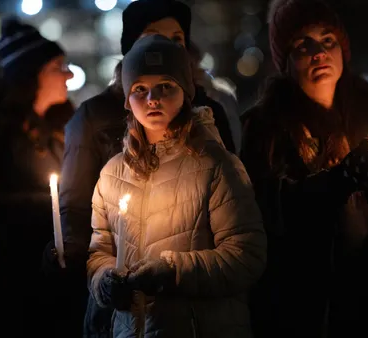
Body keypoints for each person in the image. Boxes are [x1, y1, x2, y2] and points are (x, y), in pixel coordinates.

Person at [240, 0, 368, 337]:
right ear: (285, 60)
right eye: (304, 44)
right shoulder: (267, 127)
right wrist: (339, 180)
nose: (319, 52)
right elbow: (262, 208)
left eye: (327, 40)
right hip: (308, 299)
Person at [41, 2, 236, 334]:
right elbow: (76, 210)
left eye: (176, 38)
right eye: (151, 36)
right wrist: (78, 259)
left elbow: (233, 208)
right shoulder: (95, 116)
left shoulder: (208, 114)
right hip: (120, 297)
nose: (164, 46)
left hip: (195, 302)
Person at [86, 34, 266, 338]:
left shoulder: (216, 165)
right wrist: (105, 280)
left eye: (165, 86)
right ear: (127, 101)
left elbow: (246, 256)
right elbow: (99, 251)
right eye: (140, 89)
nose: (152, 98)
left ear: (185, 92)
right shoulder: (112, 175)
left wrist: (174, 271)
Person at [0, 17, 74, 337]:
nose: (69, 74)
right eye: (58, 67)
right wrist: (52, 204)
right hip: (10, 276)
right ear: (30, 75)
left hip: (55, 275)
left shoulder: (63, 125)